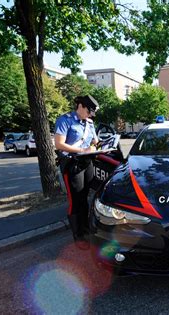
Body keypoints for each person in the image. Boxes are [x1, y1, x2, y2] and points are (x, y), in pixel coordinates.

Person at [54, 95, 99, 250]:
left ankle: (86, 230)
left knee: (85, 197)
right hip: (72, 164)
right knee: (76, 200)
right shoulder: (65, 120)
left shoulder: (89, 123)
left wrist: (104, 143)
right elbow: (59, 144)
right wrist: (82, 149)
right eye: (88, 111)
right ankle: (78, 236)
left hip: (87, 163)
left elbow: (95, 141)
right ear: (80, 106)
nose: (90, 115)